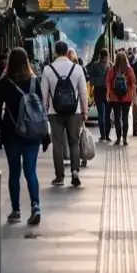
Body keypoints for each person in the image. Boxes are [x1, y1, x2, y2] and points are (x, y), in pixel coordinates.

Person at [0, 48, 46, 226]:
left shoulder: (5, 83)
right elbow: (41, 107)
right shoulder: (34, 81)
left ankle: (16, 210)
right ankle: (35, 206)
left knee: (14, 171)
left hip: (11, 133)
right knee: (31, 171)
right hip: (32, 133)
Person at [41, 41, 89, 187]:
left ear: (55, 52)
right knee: (74, 142)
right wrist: (85, 111)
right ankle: (74, 171)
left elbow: (44, 94)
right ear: (67, 52)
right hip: (74, 112)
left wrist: (45, 110)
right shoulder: (77, 69)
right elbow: (83, 93)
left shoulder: (48, 70)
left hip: (54, 112)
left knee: (57, 143)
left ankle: (59, 176)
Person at [106, 51, 137, 146]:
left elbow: (108, 82)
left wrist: (107, 94)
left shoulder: (112, 70)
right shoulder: (129, 69)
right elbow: (133, 83)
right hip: (127, 98)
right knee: (125, 118)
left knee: (117, 118)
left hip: (114, 98)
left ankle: (118, 138)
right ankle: (124, 139)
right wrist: (134, 96)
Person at [88, 49, 113, 142]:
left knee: (104, 114)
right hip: (102, 91)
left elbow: (91, 80)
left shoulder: (109, 65)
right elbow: (91, 80)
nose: (105, 59)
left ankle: (105, 134)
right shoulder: (108, 65)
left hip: (102, 91)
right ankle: (105, 135)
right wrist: (102, 80)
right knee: (104, 114)